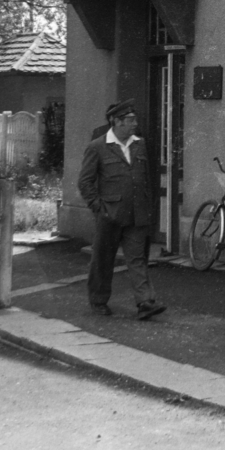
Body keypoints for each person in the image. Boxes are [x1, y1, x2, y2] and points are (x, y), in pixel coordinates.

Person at [77, 99, 166, 319]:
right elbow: (85, 182)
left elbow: (147, 179)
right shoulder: (97, 147)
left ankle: (145, 302)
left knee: (137, 259)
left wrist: (148, 206)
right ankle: (98, 301)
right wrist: (99, 208)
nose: (134, 124)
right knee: (103, 259)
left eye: (134, 119)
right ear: (115, 122)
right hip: (110, 215)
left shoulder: (139, 144)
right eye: (129, 120)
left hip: (137, 214)